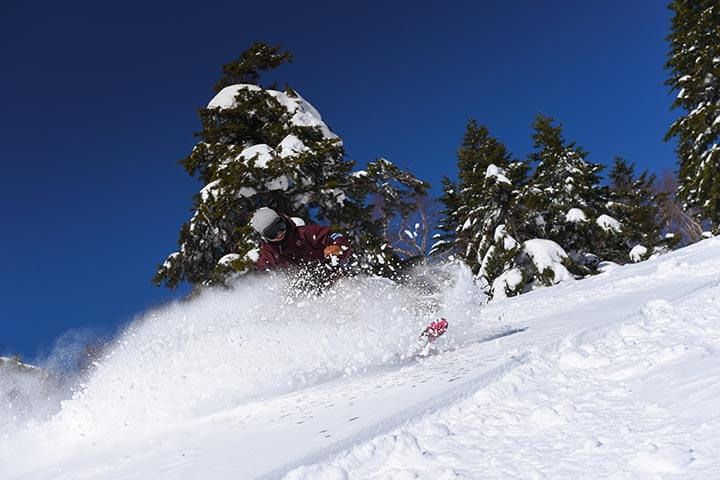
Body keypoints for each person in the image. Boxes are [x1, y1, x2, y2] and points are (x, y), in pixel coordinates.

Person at [250, 207, 352, 272]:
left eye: (280, 226)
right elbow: (263, 280)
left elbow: (334, 236)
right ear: (265, 237)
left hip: (329, 277)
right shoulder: (269, 256)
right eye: (272, 233)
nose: (279, 233)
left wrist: (337, 247)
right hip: (301, 294)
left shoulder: (305, 234)